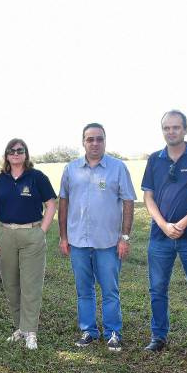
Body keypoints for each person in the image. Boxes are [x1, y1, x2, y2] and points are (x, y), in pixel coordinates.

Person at [140, 110, 187, 360]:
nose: (171, 131)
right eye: (166, 128)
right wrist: (163, 224)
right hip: (160, 236)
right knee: (157, 290)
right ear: (162, 130)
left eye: (176, 127)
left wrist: (182, 223)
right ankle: (158, 337)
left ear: (185, 129)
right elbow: (148, 197)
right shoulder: (155, 159)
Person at [58, 123, 136, 352]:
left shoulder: (118, 168)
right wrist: (63, 236)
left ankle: (114, 332)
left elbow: (129, 202)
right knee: (84, 289)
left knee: (110, 289)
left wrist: (125, 237)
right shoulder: (71, 169)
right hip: (78, 241)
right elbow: (64, 202)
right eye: (90, 139)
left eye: (99, 139)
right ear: (83, 141)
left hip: (108, 242)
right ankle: (88, 331)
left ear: (105, 141)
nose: (94, 143)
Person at [0, 138, 57, 350]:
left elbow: (51, 204)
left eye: (20, 150)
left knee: (31, 286)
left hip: (31, 235)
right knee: (11, 284)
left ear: (26, 154)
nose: (16, 153)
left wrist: (41, 231)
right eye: (12, 150)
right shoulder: (0, 180)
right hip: (6, 235)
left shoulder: (37, 177)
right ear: (6, 155)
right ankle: (19, 328)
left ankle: (31, 332)